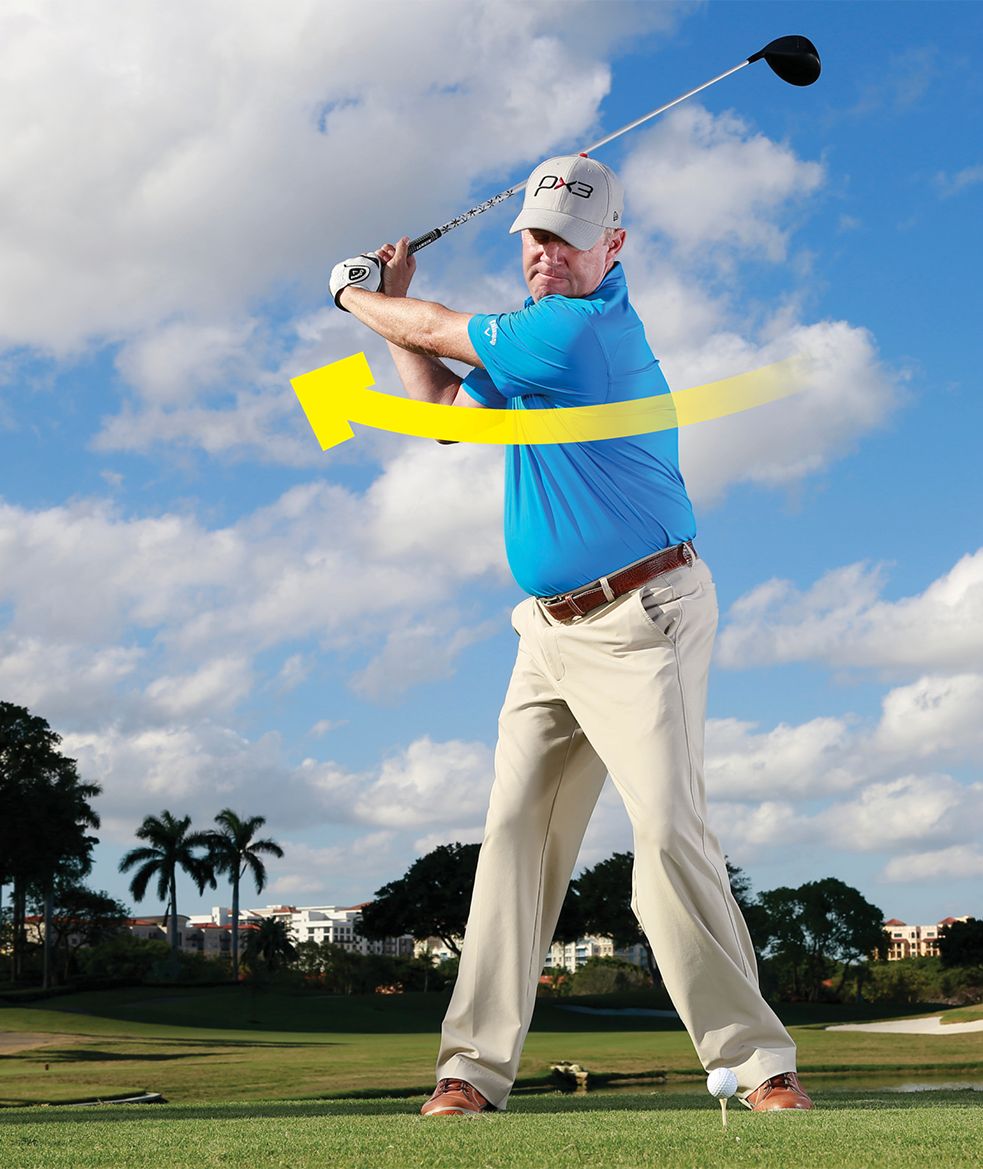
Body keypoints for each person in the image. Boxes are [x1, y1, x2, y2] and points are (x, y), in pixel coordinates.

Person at [332, 154, 811, 1116]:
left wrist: (356, 296)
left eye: (567, 239)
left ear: (613, 247)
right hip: (548, 633)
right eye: (535, 237)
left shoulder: (578, 334)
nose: (546, 255)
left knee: (667, 833)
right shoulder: (529, 346)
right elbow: (442, 415)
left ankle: (762, 1065)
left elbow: (433, 330)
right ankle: (471, 1070)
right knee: (514, 836)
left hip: (644, 618)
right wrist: (392, 306)